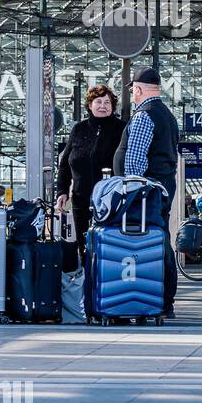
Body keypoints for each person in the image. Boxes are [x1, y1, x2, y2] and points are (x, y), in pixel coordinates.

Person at [114, 66, 180, 315]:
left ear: (138, 89)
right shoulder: (167, 115)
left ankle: (155, 298)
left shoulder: (144, 115)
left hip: (145, 194)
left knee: (151, 242)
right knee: (160, 239)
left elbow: (135, 162)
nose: (133, 95)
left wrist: (129, 193)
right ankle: (164, 298)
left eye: (133, 91)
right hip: (161, 188)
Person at [56, 84, 127, 257]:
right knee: (84, 245)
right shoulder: (78, 129)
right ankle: (88, 280)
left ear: (113, 107)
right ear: (89, 105)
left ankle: (105, 280)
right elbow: (65, 163)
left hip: (111, 201)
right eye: (98, 101)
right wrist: (62, 191)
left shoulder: (121, 129)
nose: (103, 106)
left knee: (109, 244)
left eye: (107, 102)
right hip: (81, 200)